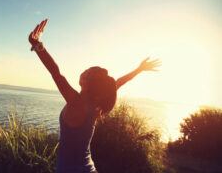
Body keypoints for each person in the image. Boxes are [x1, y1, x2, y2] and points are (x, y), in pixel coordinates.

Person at [28, 19, 161, 173]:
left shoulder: (76, 102)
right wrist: (139, 69)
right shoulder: (96, 104)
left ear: (89, 83)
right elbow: (118, 83)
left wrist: (37, 45)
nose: (83, 71)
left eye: (87, 72)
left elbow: (55, 72)